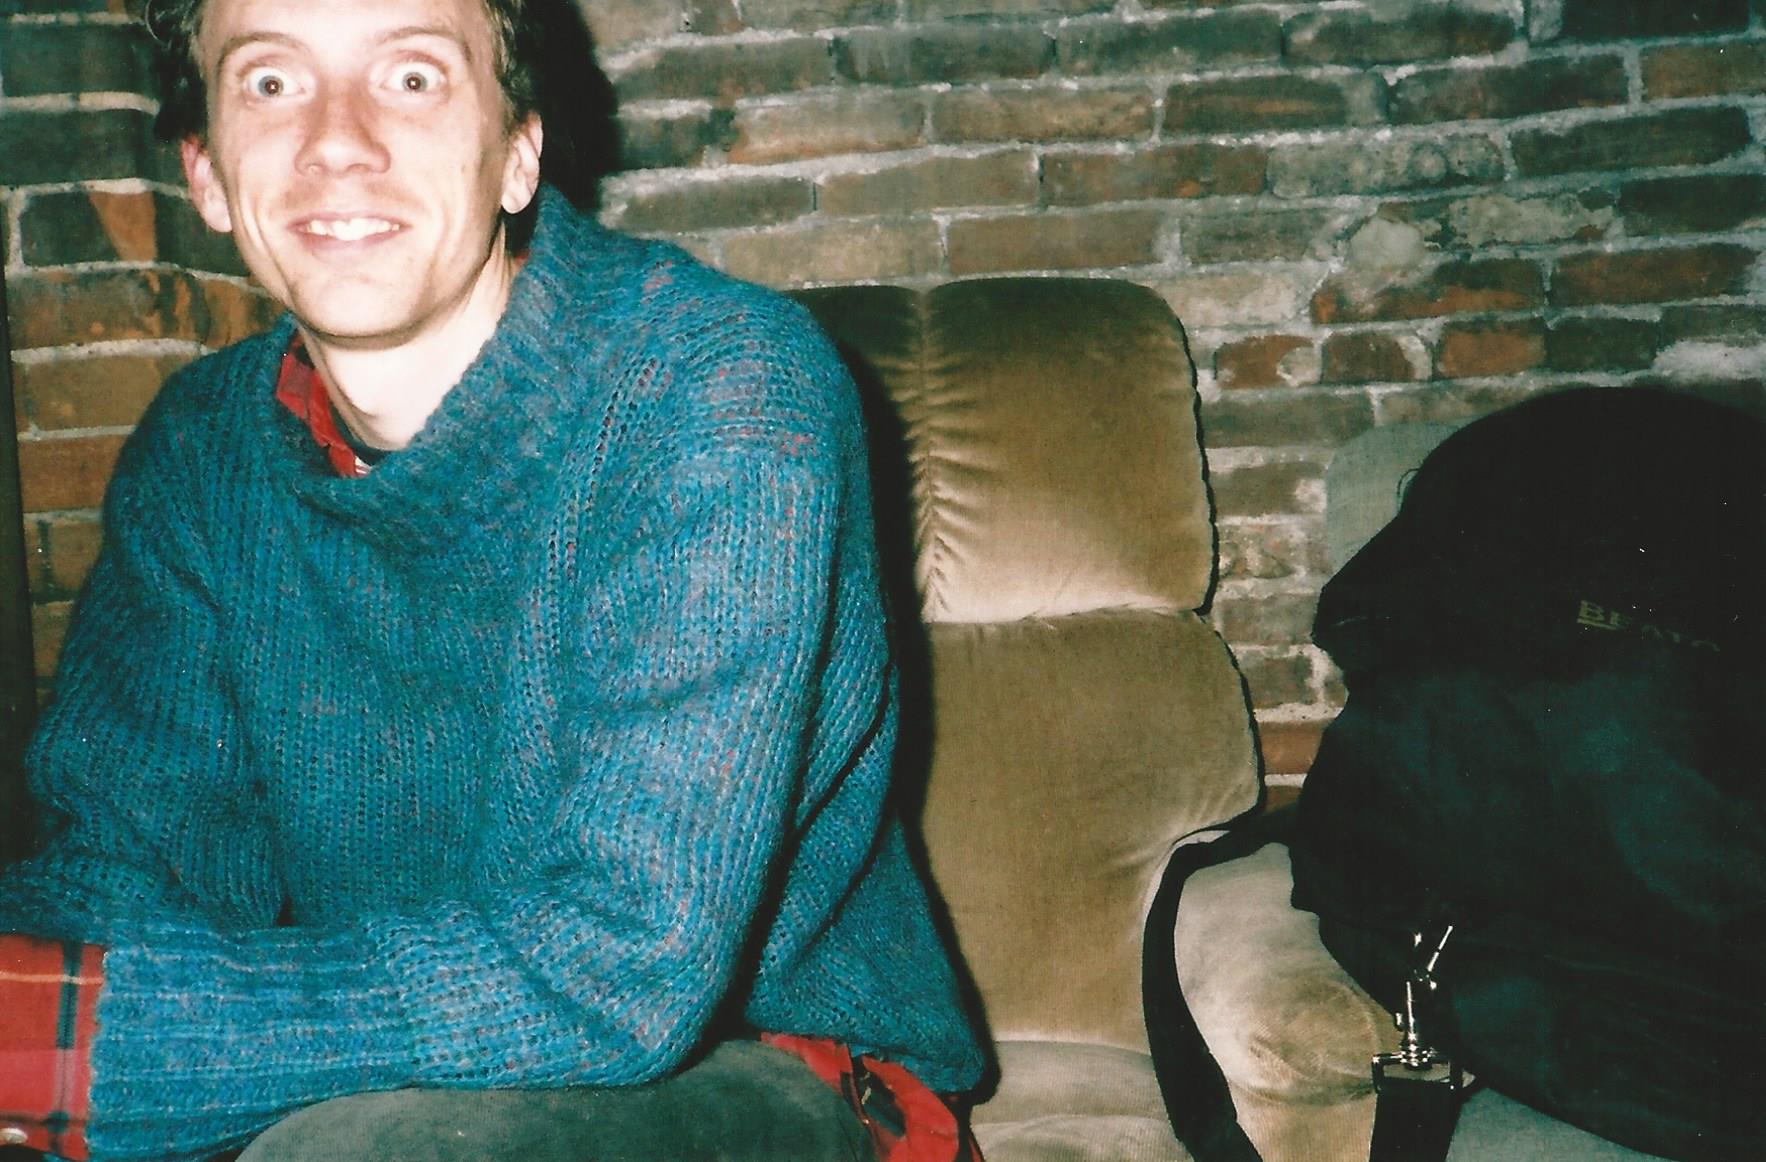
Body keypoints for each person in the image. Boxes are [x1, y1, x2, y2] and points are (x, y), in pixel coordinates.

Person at [0, 0, 989, 1158]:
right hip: (399, 1064)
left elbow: (623, 965)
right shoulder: (200, 454)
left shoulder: (715, 387)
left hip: (779, 1065)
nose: (336, 141)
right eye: (271, 83)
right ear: (207, 173)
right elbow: (118, 867)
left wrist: (102, 1047)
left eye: (412, 77)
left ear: (519, 154)